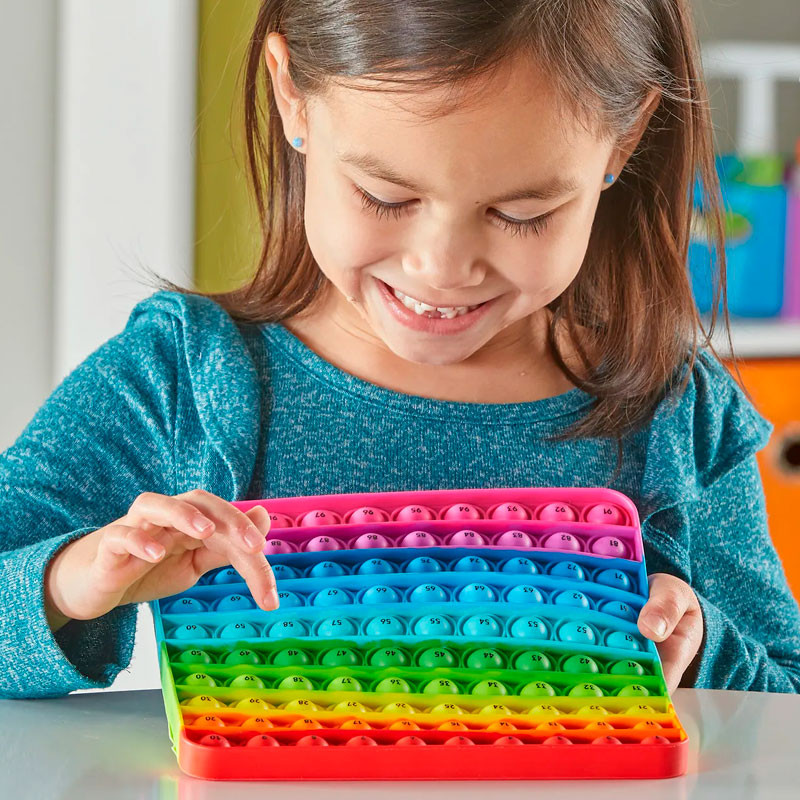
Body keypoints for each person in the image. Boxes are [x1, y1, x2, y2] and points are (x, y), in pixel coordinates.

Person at [2, 0, 798, 700]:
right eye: (387, 196)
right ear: (292, 97)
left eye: (522, 212)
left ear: (623, 140)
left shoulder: (677, 416)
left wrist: (700, 657)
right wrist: (70, 581)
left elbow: (785, 693)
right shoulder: (184, 381)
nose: (443, 269)